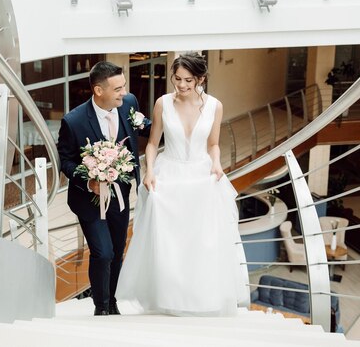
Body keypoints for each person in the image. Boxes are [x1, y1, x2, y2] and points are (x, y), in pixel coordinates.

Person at [116, 53, 249, 316]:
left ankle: (199, 299)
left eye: (189, 80)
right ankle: (167, 299)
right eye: (177, 78)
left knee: (201, 241)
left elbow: (213, 144)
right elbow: (153, 143)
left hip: (201, 175)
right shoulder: (163, 103)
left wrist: (216, 163)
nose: (182, 85)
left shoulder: (214, 106)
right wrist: (149, 171)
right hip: (169, 173)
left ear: (201, 78)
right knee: (169, 242)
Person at [57, 61, 150, 316]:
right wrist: (89, 181)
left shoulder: (128, 104)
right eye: (118, 88)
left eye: (124, 87)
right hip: (89, 200)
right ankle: (101, 306)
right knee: (103, 252)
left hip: (120, 195)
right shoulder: (73, 121)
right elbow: (65, 160)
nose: (124, 92)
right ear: (99, 90)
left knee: (117, 252)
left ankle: (113, 301)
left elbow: (146, 127)